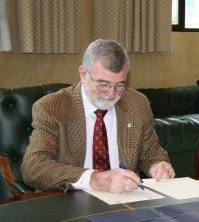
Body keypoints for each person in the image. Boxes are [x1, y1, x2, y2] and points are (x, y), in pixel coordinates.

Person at [21, 39, 175, 193]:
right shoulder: (52, 107)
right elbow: (33, 166)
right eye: (103, 84)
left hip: (123, 201)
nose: (111, 94)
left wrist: (157, 165)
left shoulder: (137, 104)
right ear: (83, 74)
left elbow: (150, 151)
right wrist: (94, 179)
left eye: (120, 84)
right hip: (69, 200)